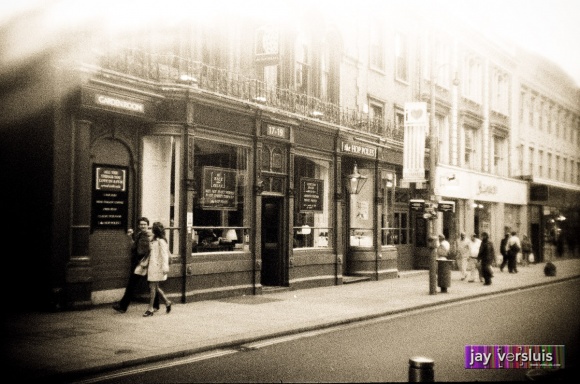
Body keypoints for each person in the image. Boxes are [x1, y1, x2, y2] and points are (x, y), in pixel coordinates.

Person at [113, 217, 159, 313]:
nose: (142, 226)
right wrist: (130, 237)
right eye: (141, 224)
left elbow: (150, 250)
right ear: (139, 225)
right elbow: (134, 246)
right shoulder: (139, 235)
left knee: (136, 285)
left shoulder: (150, 236)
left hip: (145, 263)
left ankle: (123, 306)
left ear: (148, 225)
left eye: (144, 224)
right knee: (150, 285)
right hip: (139, 262)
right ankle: (158, 304)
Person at [143, 222, 172, 317]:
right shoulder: (153, 239)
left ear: (155, 230)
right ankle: (167, 302)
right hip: (152, 266)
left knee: (152, 287)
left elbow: (164, 255)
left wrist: (165, 267)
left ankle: (150, 308)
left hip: (157, 267)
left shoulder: (161, 241)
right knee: (155, 287)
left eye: (152, 228)